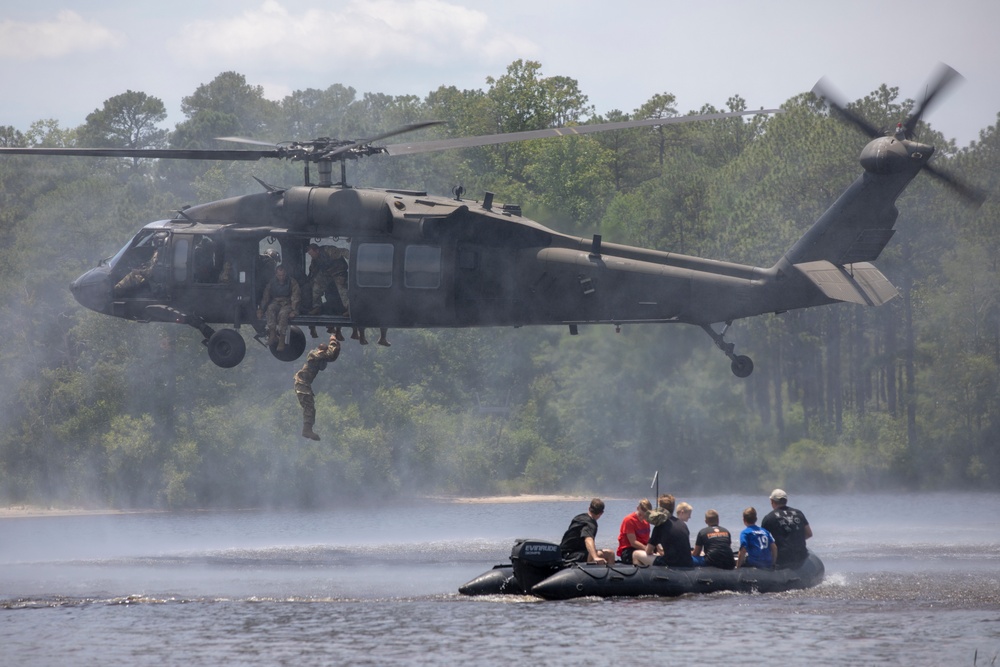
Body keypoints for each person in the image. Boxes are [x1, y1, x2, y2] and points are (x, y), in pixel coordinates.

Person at [293, 335, 341, 440]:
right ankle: (306, 430)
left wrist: (337, 347)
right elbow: (329, 354)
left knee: (311, 407)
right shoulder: (314, 354)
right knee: (308, 406)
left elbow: (331, 356)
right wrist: (332, 340)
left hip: (305, 383)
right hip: (301, 382)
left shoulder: (320, 357)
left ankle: (308, 429)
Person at [761, 488, 813, 569]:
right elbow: (809, 534)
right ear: (786, 501)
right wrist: (796, 540)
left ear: (772, 501)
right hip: (800, 556)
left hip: (782, 559)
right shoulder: (799, 513)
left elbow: (763, 542)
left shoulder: (769, 518)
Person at [638, 494, 693, 568]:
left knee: (636, 554)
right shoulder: (682, 524)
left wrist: (655, 553)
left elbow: (648, 551)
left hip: (670, 563)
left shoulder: (660, 525)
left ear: (660, 508)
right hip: (687, 563)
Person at [559, 498, 616, 565]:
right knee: (610, 554)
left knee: (595, 552)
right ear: (601, 513)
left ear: (589, 508)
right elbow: (588, 539)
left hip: (562, 554)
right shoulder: (590, 524)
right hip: (573, 556)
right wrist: (595, 557)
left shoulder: (579, 517)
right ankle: (609, 575)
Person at [257, 265, 301, 351]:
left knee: (283, 314)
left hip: (287, 303)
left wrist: (294, 310)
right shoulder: (272, 282)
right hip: (276, 301)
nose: (281, 277)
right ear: (276, 275)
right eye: (279, 275)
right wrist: (261, 309)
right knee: (270, 309)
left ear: (286, 274)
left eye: (283, 275)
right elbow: (266, 296)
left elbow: (296, 297)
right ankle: (272, 334)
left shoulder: (292, 282)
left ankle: (282, 339)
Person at [616, 499, 652, 565]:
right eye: (641, 514)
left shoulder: (646, 522)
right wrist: (647, 550)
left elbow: (647, 538)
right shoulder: (629, 520)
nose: (642, 517)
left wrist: (656, 547)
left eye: (646, 514)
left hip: (643, 548)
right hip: (629, 550)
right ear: (638, 508)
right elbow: (633, 542)